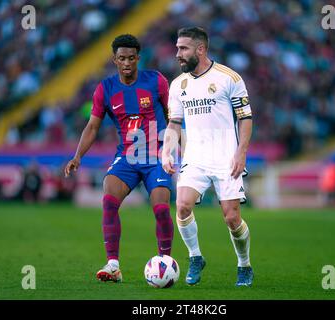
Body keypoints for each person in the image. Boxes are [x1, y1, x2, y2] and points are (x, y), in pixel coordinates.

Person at [64, 34, 174, 283]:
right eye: (122, 58)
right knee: (109, 197)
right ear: (114, 60)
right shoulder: (105, 89)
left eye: (132, 58)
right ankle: (113, 265)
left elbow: (173, 115)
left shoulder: (156, 81)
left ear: (138, 58)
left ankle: (164, 263)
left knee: (160, 208)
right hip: (127, 156)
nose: (127, 63)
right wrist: (77, 156)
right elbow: (92, 127)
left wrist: (175, 147)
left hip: (156, 155)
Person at [162, 27, 254, 286]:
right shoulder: (178, 85)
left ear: (200, 50)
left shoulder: (229, 78)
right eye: (177, 48)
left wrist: (241, 152)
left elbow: (245, 118)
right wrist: (166, 151)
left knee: (232, 218)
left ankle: (244, 265)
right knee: (181, 205)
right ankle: (195, 257)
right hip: (196, 157)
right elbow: (174, 124)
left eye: (183, 49)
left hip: (226, 157)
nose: (177, 54)